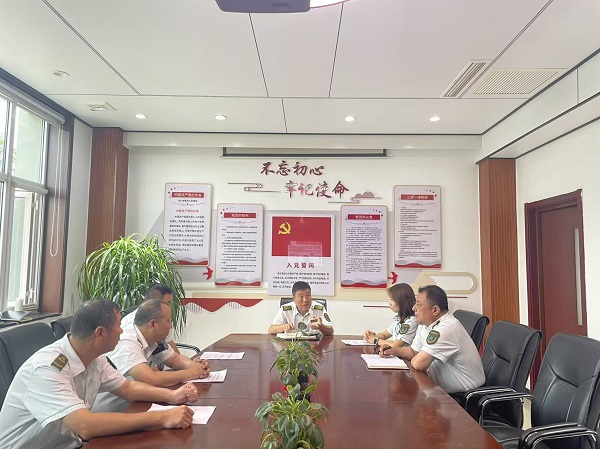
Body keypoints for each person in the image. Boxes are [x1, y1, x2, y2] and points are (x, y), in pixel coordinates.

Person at [0, 299, 198, 449]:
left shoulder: (95, 358)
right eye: (118, 325)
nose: (122, 331)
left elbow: (127, 388)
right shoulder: (47, 369)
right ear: (100, 333)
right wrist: (163, 417)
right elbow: (85, 426)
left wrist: (173, 395)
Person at [93, 298, 211, 412]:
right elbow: (150, 379)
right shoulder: (127, 342)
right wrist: (191, 373)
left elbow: (174, 358)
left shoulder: (152, 336)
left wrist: (195, 366)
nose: (171, 326)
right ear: (153, 324)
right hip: (110, 408)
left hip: (135, 400)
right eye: (168, 321)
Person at [380, 285, 484, 394]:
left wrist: (415, 357)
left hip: (463, 394)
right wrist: (393, 350)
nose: (413, 308)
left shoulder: (446, 328)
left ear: (435, 310)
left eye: (418, 304)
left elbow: (418, 363)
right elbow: (413, 351)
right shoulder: (425, 324)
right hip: (436, 387)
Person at [121, 283, 181, 354]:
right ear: (153, 303)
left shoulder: (158, 319)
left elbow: (174, 356)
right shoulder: (130, 333)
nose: (170, 308)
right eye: (167, 304)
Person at [363, 283, 418, 348]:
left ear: (402, 302)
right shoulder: (400, 318)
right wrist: (371, 336)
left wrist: (375, 340)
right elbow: (384, 335)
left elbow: (395, 345)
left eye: (392, 300)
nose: (389, 303)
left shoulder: (411, 321)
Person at [268, 281, 333, 335]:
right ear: (294, 299)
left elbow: (331, 331)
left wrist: (321, 327)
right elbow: (271, 330)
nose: (305, 300)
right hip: (292, 345)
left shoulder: (319, 309)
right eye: (301, 296)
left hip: (315, 345)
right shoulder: (285, 310)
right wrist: (283, 327)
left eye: (308, 295)